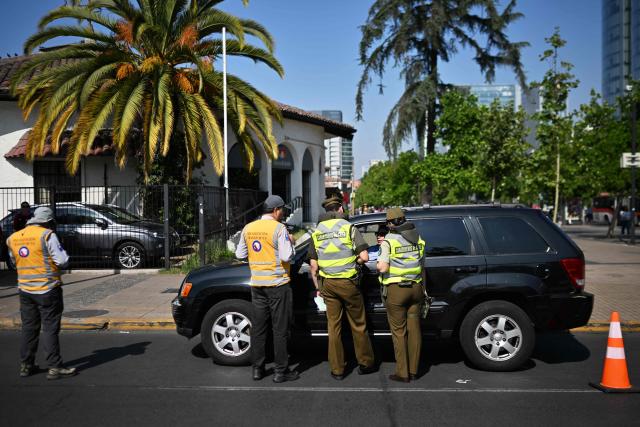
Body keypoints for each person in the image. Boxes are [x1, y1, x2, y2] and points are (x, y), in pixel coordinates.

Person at [309, 196, 376, 380]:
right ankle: (366, 363)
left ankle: (337, 370)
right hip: (348, 283)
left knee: (334, 327)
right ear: (339, 209)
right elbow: (365, 256)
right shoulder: (348, 228)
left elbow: (313, 266)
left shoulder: (316, 232)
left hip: (328, 284)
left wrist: (319, 288)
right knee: (358, 324)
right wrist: (355, 261)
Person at [6, 207, 76, 380]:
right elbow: (62, 261)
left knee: (29, 328)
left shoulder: (13, 238)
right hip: (47, 289)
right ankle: (54, 367)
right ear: (48, 221)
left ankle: (26, 365)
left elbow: (14, 263)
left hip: (25, 290)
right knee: (50, 328)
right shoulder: (47, 235)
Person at [235, 195, 299, 383]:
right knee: (280, 330)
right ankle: (281, 371)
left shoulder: (249, 228)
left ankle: (258, 369)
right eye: (282, 210)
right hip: (278, 285)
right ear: (276, 210)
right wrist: (292, 243)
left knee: (259, 329)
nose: (283, 213)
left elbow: (240, 254)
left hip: (257, 286)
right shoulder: (279, 228)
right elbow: (287, 256)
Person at [377, 207, 425, 383]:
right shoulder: (417, 237)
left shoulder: (389, 240)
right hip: (416, 288)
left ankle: (402, 373)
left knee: (399, 332)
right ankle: (414, 370)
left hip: (397, 290)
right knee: (415, 329)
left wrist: (379, 261)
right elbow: (421, 263)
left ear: (390, 224)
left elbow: (382, 267)